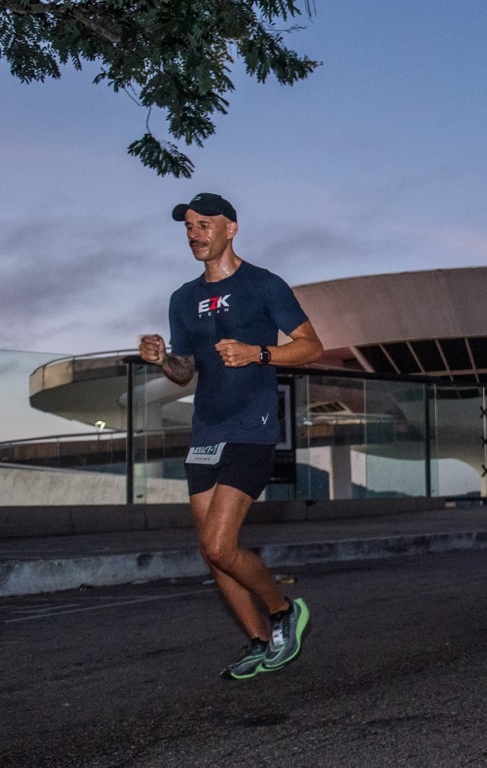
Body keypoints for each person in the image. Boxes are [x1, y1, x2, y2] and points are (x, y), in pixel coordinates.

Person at [138, 193, 325, 679]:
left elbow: (311, 347)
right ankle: (258, 640)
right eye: (188, 228)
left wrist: (257, 353)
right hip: (205, 432)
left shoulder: (263, 284)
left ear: (231, 229)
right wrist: (162, 359)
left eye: (204, 224)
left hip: (252, 428)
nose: (195, 234)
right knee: (211, 551)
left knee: (221, 546)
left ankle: (284, 611)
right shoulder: (182, 298)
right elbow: (185, 372)